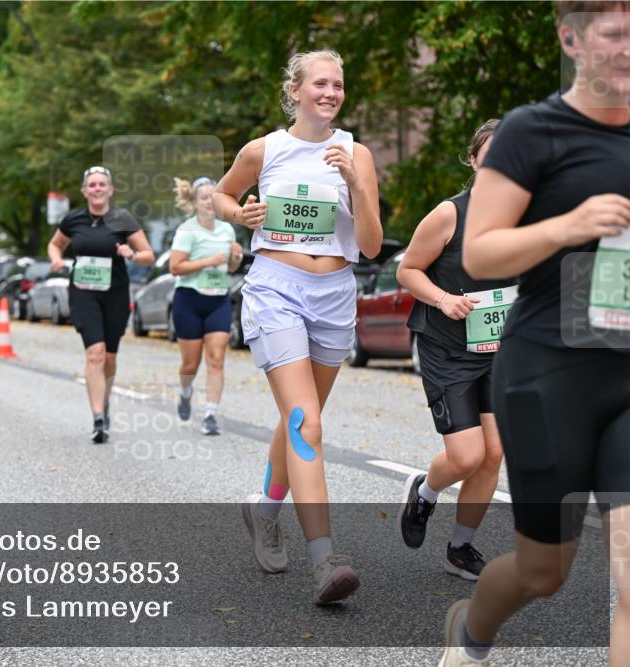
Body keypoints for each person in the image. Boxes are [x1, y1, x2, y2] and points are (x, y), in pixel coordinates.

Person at [441, 3, 630, 665]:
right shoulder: (533, 131)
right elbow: (479, 253)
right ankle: (471, 633)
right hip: (551, 373)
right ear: (571, 38)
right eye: (616, 34)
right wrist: (567, 226)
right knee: (541, 571)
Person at [213, 49, 382, 604]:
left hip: (334, 294)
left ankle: (264, 511)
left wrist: (356, 184)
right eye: (320, 84)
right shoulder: (264, 150)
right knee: (306, 422)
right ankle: (325, 560)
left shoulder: (356, 154)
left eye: (338, 85)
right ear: (295, 91)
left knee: (299, 421)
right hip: (276, 289)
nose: (331, 93)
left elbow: (372, 245)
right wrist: (239, 215)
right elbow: (221, 195)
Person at [395, 120, 508, 581]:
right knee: (466, 456)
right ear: (474, 159)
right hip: (447, 348)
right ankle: (424, 492)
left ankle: (460, 549)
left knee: (494, 453)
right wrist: (443, 299)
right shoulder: (449, 214)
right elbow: (407, 270)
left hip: (498, 350)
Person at [47, 166, 155, 443]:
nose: (97, 189)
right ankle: (97, 419)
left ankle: (104, 403)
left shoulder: (122, 219)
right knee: (95, 353)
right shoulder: (73, 219)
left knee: (109, 357)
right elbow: (55, 244)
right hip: (83, 293)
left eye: (101, 184)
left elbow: (148, 255)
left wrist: (131, 254)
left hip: (115, 293)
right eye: (92, 185)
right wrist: (56, 259)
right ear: (85, 191)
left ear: (110, 190)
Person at [169, 176, 244, 435]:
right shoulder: (186, 230)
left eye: (213, 197)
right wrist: (208, 261)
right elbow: (175, 267)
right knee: (190, 364)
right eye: (204, 198)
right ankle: (186, 391)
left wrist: (236, 258)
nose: (209, 202)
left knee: (217, 358)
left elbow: (230, 267)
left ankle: (211, 414)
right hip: (189, 300)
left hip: (218, 300)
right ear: (194, 202)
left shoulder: (227, 230)